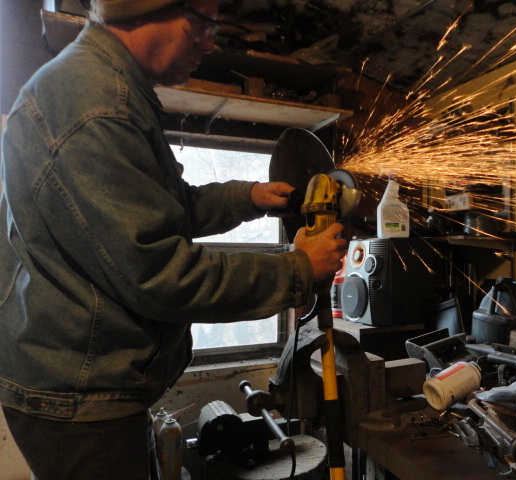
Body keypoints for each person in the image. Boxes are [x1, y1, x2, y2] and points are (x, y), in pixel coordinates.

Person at [0, 0, 347, 478]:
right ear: (144, 9)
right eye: (200, 23)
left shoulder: (105, 87)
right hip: (81, 393)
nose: (210, 40)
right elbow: (161, 273)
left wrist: (245, 197)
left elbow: (153, 209)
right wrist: (298, 268)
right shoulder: (98, 105)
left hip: (86, 381)